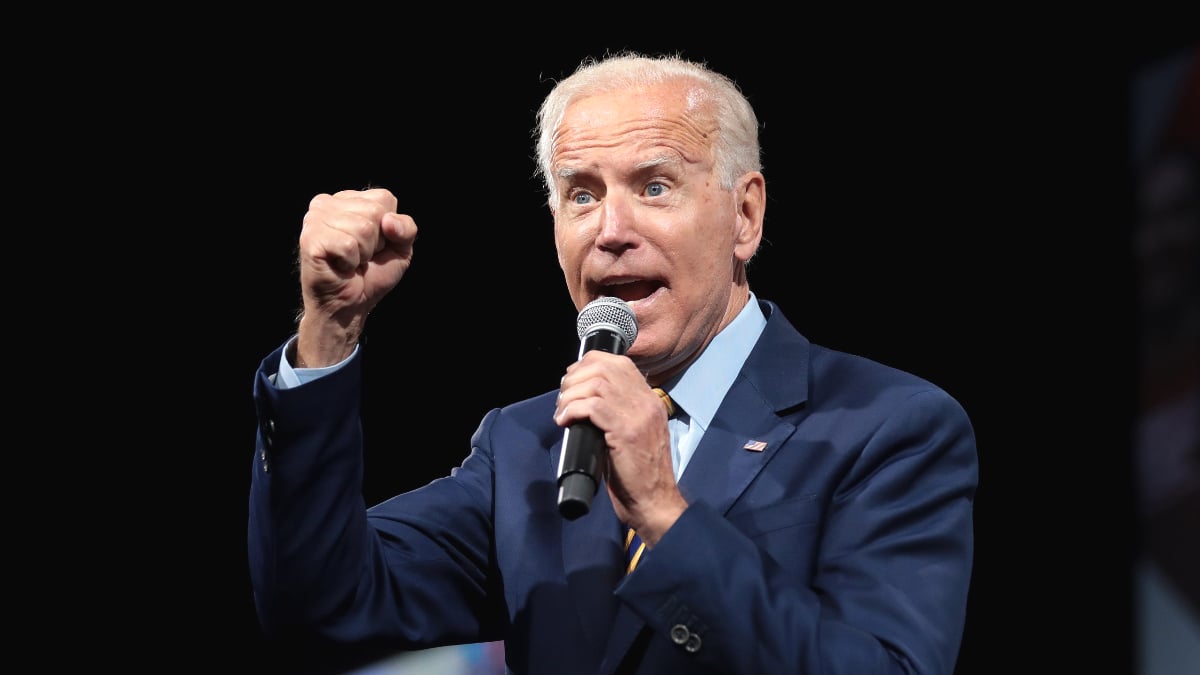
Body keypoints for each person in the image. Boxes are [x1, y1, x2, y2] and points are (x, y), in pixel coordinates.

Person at [248, 51, 979, 674]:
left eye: (654, 186)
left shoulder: (891, 428)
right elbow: (320, 608)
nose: (612, 231)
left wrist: (667, 514)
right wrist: (330, 329)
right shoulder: (526, 444)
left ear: (745, 216)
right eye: (582, 194)